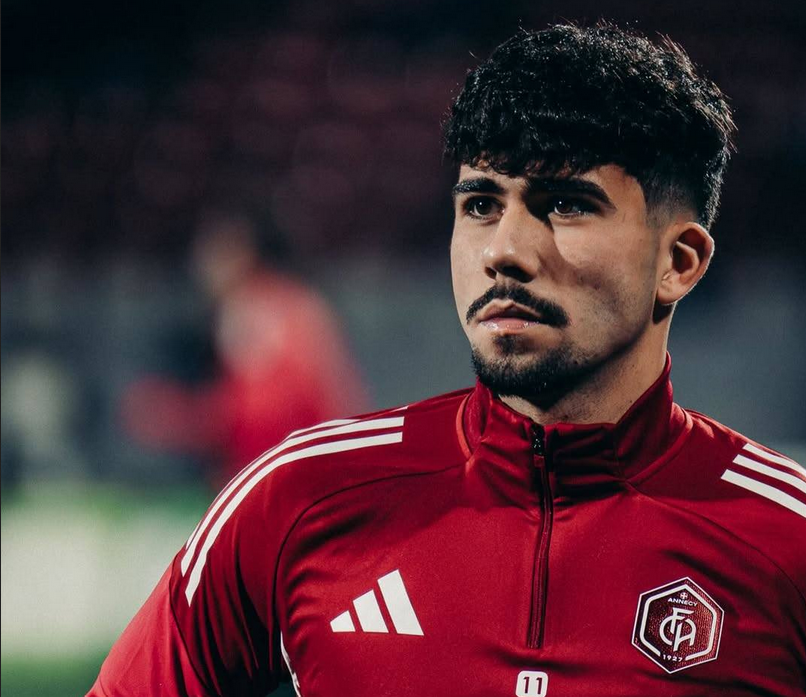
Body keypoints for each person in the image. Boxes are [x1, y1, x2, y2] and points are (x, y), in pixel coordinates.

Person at [88, 23, 805, 696]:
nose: (505, 251)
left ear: (678, 262)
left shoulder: (787, 541)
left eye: (566, 205)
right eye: (482, 205)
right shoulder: (294, 498)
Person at [122, 208, 369, 488]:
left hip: (288, 470)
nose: (202, 268)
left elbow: (264, 411)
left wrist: (180, 419)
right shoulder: (297, 299)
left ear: (243, 255)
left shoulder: (251, 308)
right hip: (326, 458)